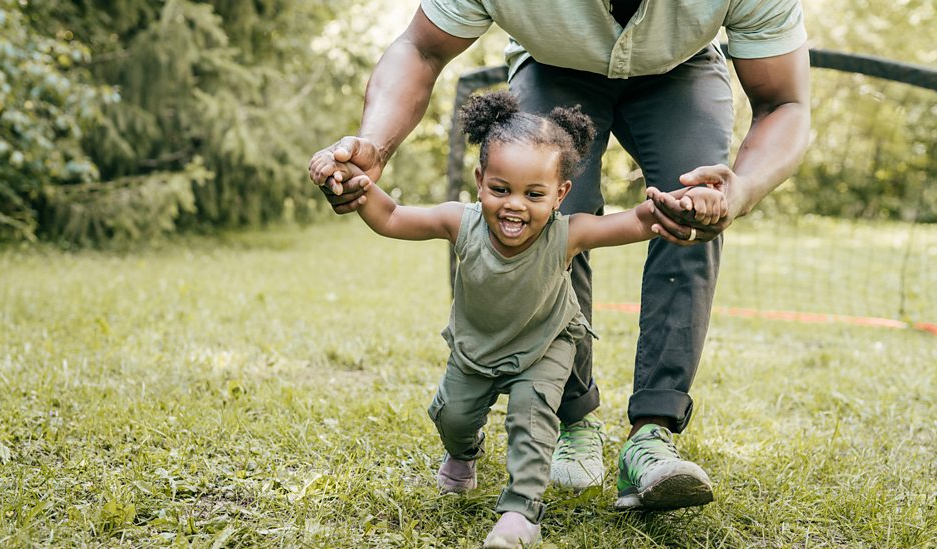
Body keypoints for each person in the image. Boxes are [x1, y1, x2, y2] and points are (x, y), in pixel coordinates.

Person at [309, 0, 810, 512]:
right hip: (552, 64)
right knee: (543, 210)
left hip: (679, 69)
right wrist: (374, 143)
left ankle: (651, 436)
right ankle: (574, 417)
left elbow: (784, 103)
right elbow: (421, 46)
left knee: (691, 213)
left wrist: (741, 190)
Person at [335, 91, 727, 548]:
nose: (515, 206)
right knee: (454, 416)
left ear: (560, 194)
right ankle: (464, 454)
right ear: (480, 181)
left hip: (545, 346)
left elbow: (635, 222)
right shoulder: (459, 223)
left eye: (534, 194)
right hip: (476, 346)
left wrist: (677, 204)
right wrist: (358, 187)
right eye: (501, 189)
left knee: (532, 417)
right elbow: (393, 215)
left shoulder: (567, 234)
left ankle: (521, 513)